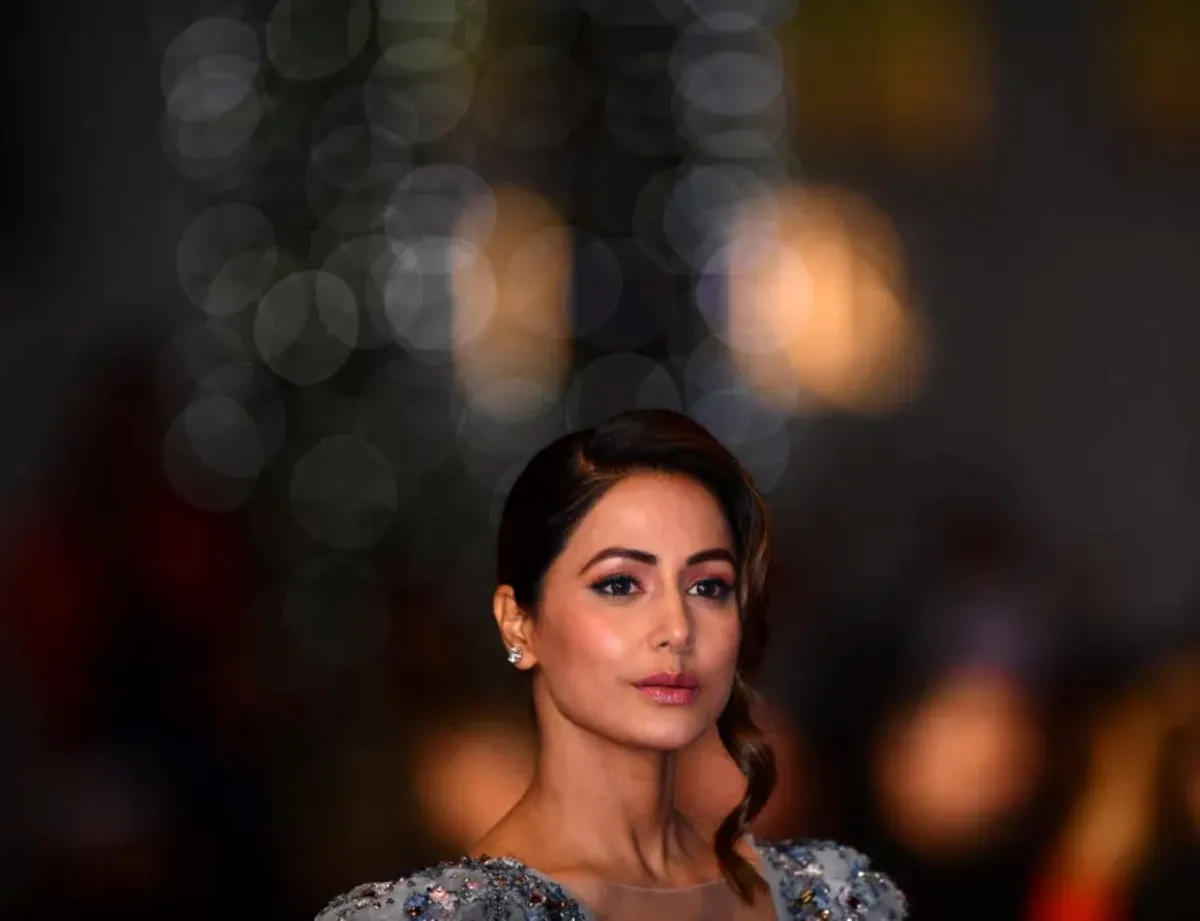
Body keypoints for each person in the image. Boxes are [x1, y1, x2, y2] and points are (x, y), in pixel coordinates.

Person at [316, 410, 906, 921]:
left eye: (708, 586)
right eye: (620, 584)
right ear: (518, 623)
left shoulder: (833, 895)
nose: (677, 628)